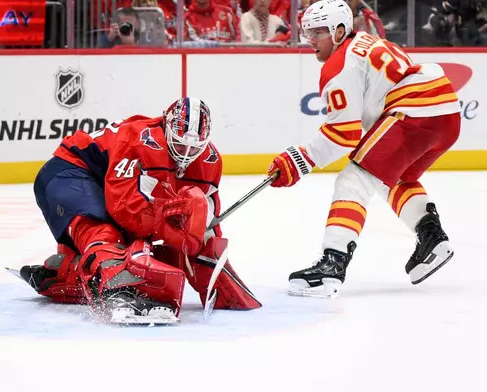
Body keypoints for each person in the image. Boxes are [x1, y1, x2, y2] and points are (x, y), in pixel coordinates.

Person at [267, 0, 461, 298]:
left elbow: (343, 134)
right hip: (445, 112)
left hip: (414, 111)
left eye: (318, 32)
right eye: (308, 32)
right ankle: (432, 238)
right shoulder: (365, 43)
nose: (311, 41)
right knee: (391, 177)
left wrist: (298, 160)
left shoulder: (339, 63)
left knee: (353, 179)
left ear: (340, 30)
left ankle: (333, 264)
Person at [23, 97, 261, 324]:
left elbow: (205, 220)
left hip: (104, 182)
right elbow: (124, 208)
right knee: (105, 234)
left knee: (144, 249)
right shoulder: (139, 139)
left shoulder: (210, 161)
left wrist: (206, 253)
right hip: (72, 170)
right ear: (166, 127)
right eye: (179, 144)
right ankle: (120, 290)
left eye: (194, 147)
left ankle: (65, 271)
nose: (186, 155)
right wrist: (168, 230)